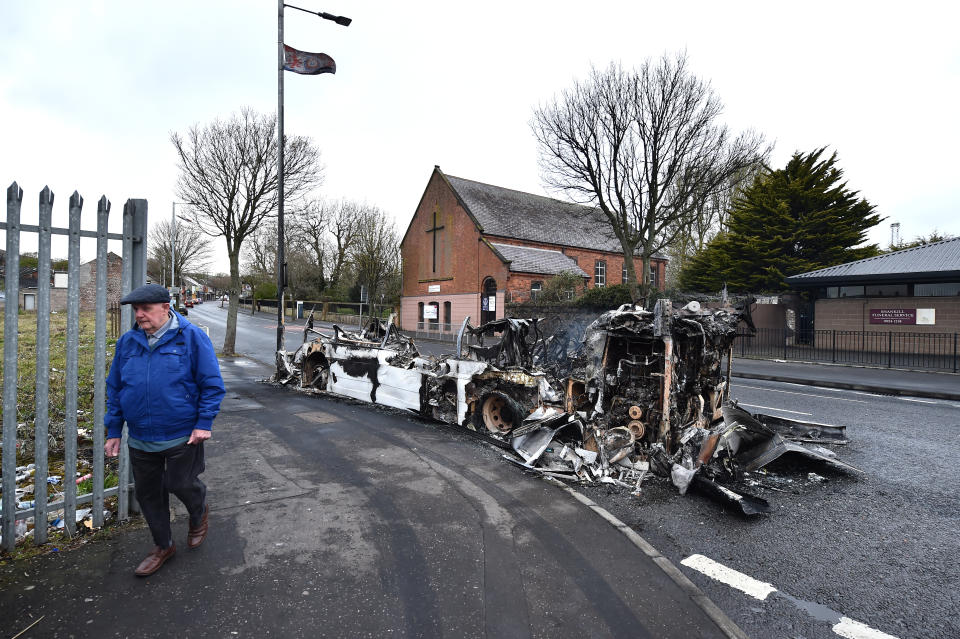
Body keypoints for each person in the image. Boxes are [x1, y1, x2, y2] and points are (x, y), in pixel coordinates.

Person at [104, 283, 225, 576]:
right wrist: (114, 430)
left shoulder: (192, 337)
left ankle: (198, 512)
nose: (140, 315)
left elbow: (212, 385)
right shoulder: (128, 342)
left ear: (165, 308)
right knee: (148, 494)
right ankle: (163, 545)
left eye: (146, 309)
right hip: (142, 436)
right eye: (136, 310)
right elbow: (116, 388)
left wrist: (203, 423)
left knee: (181, 483)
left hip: (183, 433)